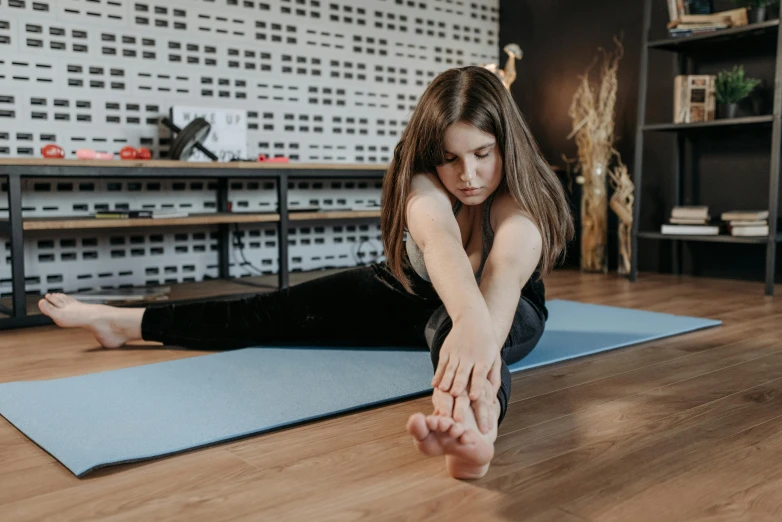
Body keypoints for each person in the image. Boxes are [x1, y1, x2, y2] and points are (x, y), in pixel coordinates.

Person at [38, 65, 574, 480]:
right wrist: (467, 323)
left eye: (483, 154)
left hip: (507, 307)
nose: (469, 175)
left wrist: (473, 332)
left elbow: (497, 285)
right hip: (410, 290)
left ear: (507, 143)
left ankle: (473, 438)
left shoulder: (521, 209)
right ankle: (123, 323)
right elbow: (440, 247)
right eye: (451, 159)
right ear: (431, 154)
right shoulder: (423, 186)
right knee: (275, 309)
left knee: (460, 333)